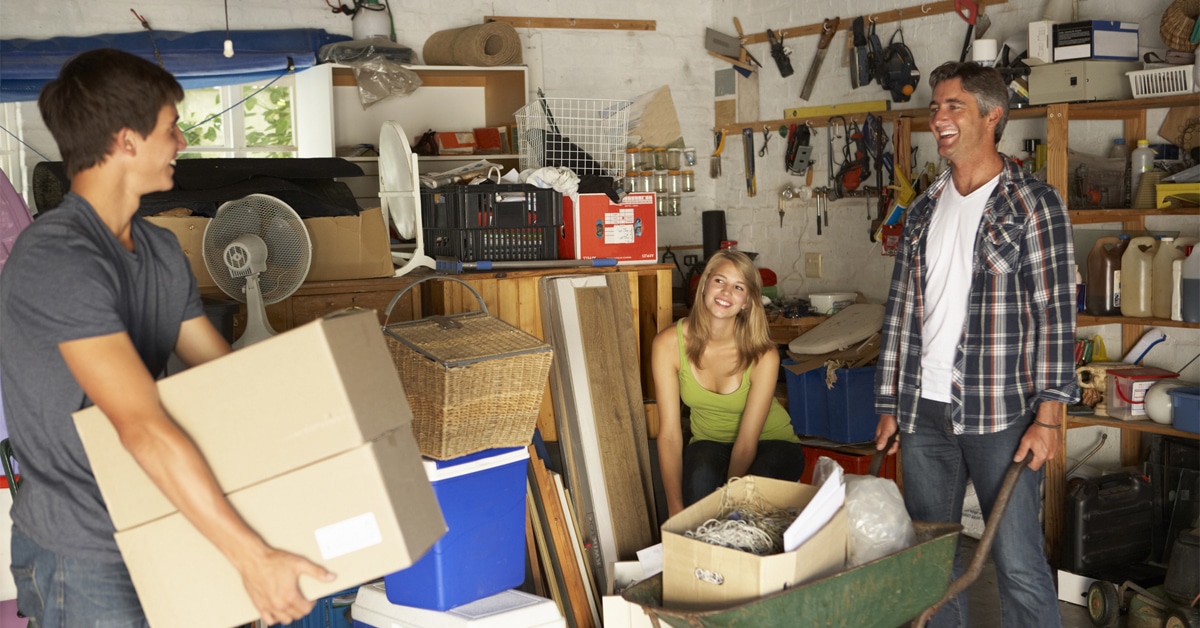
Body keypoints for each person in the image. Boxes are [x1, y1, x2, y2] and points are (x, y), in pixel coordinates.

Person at [0, 48, 334, 626]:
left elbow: (221, 378)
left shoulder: (157, 250)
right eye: (170, 128)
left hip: (164, 515)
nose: (182, 142)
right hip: (85, 548)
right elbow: (142, 425)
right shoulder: (56, 258)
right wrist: (249, 554)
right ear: (127, 141)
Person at [873, 61, 1079, 627]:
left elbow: (1055, 315)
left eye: (952, 106)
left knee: (1015, 563)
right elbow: (900, 315)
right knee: (930, 563)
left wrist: (1051, 416)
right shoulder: (921, 211)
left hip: (1002, 415)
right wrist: (890, 403)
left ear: (992, 117)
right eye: (934, 107)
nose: (937, 117)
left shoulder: (1033, 205)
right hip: (923, 412)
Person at [653, 249, 804, 516]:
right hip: (708, 443)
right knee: (699, 483)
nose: (725, 293)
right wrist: (675, 509)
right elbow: (668, 434)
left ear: (747, 302)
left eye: (738, 287)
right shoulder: (668, 344)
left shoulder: (762, 355)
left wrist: (730, 506)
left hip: (770, 443)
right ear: (704, 284)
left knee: (751, 497)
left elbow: (747, 442)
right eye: (719, 281)